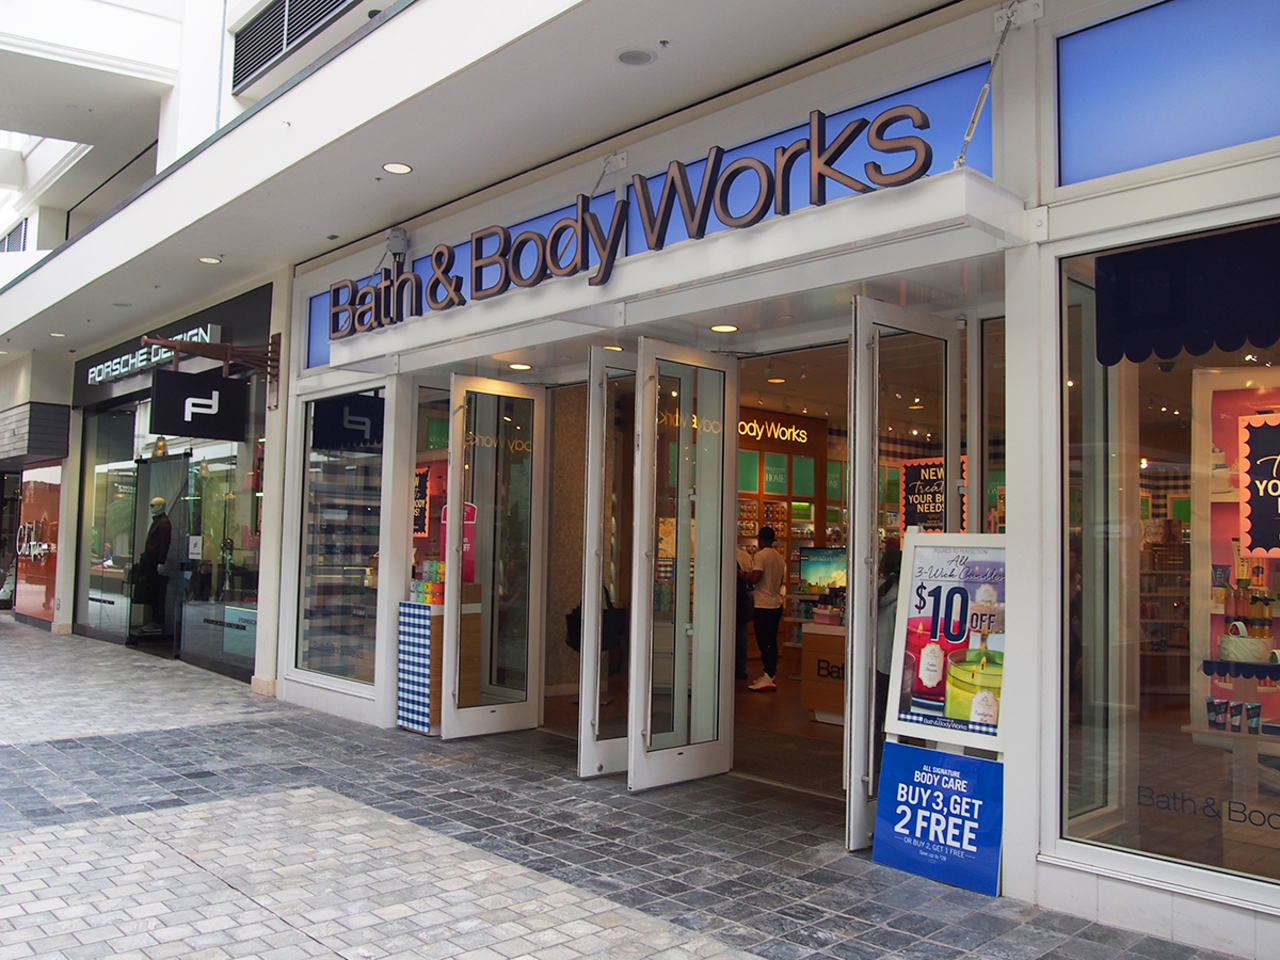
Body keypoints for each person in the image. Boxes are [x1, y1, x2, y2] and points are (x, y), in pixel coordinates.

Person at [874, 543, 902, 775]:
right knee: (896, 719)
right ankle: (895, 763)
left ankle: (874, 762)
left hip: (875, 662)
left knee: (875, 718)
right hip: (896, 663)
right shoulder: (904, 595)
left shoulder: (874, 591)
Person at [747, 526, 786, 691]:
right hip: (776, 603)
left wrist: (742, 575)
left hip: (763, 604)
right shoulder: (779, 557)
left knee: (763, 641)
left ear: (760, 539)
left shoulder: (760, 556)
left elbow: (756, 577)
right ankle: (770, 674)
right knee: (772, 640)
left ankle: (768, 676)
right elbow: (780, 579)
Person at [136, 497, 171, 636]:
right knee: (151, 591)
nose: (151, 508)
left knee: (156, 591)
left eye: (153, 505)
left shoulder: (163, 523)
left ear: (160, 506)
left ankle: (157, 621)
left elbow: (164, 543)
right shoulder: (158, 522)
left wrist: (161, 561)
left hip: (154, 563)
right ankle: (155, 620)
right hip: (151, 562)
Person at [734, 546, 754, 680]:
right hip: (741, 600)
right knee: (741, 635)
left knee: (740, 634)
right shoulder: (744, 556)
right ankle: (739, 667)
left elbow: (751, 578)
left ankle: (738, 667)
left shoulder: (743, 556)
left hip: (739, 601)